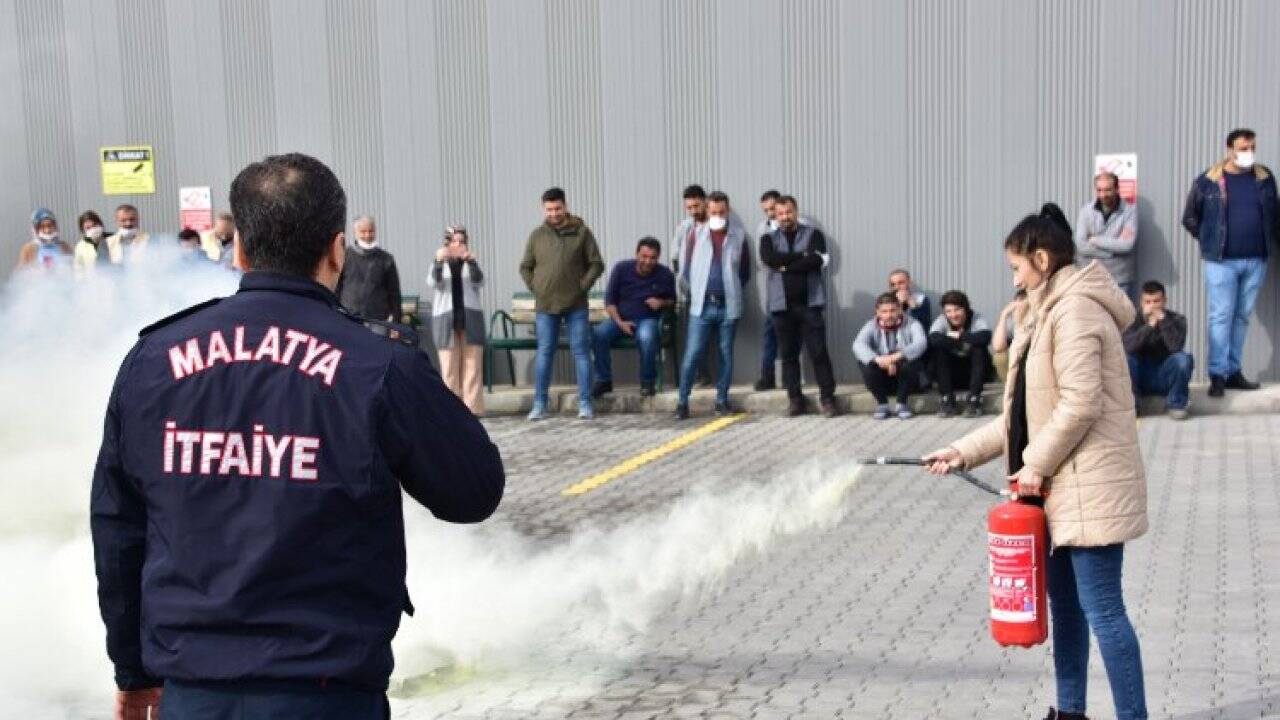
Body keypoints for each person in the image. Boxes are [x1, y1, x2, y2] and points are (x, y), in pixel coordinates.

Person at [91, 152, 505, 720]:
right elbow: (473, 491)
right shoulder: (377, 363)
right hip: (326, 692)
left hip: (193, 691)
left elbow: (118, 531)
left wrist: (133, 673)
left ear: (239, 250)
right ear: (337, 250)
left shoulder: (153, 361)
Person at [924, 203, 1148, 720]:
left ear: (1042, 259)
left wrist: (1036, 465)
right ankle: (1070, 712)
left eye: (1016, 267)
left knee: (1104, 613)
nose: (1014, 277)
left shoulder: (1077, 310)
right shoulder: (1040, 312)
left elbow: (1081, 402)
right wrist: (962, 452)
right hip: (1051, 487)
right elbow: (1021, 416)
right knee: (1066, 611)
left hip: (1087, 487)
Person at [1182, 127, 1277, 397]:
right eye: (1243, 149)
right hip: (1221, 262)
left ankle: (1234, 371)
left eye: (1251, 148)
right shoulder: (1208, 181)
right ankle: (1218, 375)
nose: (1248, 154)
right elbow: (1190, 218)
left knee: (1242, 317)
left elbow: (1274, 216)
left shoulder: (1265, 178)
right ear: (1230, 150)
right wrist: (1209, 239)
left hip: (1256, 260)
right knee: (1221, 316)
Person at [519, 187, 605, 420]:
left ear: (565, 206)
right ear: (543, 209)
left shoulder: (582, 232)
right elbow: (525, 266)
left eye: (557, 208)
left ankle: (585, 403)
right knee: (545, 352)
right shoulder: (537, 235)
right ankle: (539, 404)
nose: (554, 213)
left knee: (581, 352)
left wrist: (583, 285)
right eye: (549, 209)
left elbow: (597, 263)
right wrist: (535, 286)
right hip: (546, 305)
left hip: (576, 304)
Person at [760, 195, 839, 417]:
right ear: (775, 214)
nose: (785, 217)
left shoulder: (814, 235)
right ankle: (795, 400)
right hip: (781, 307)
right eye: (781, 213)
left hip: (810, 305)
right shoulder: (767, 239)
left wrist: (785, 265)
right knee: (788, 356)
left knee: (819, 352)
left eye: (789, 212)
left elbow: (816, 260)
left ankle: (828, 398)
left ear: (796, 212)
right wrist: (801, 258)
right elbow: (769, 259)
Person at [675, 191, 750, 419]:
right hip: (702, 307)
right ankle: (682, 402)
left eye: (721, 212)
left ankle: (721, 401)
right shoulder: (695, 235)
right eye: (713, 212)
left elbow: (744, 272)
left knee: (725, 354)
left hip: (728, 306)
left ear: (728, 211)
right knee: (693, 354)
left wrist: (732, 291)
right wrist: (693, 294)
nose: (717, 216)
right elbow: (684, 270)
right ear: (707, 211)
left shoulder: (738, 235)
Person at [592, 237, 676, 398]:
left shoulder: (665, 274)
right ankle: (603, 380)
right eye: (644, 256)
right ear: (637, 254)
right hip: (620, 319)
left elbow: (672, 301)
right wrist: (620, 322)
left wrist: (661, 302)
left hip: (647, 320)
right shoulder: (621, 269)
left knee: (647, 337)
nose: (648, 261)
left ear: (658, 258)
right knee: (599, 333)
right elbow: (609, 302)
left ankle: (647, 382)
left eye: (653, 258)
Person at [427, 224, 486, 416]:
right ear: (447, 243)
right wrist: (438, 261)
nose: (458, 245)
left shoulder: (470, 263)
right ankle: (451, 410)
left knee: (472, 366)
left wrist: (472, 262)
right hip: (446, 320)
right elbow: (434, 282)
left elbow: (480, 281)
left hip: (471, 318)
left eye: (461, 241)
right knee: (449, 368)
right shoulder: (439, 263)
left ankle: (473, 409)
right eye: (454, 241)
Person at [1124, 281, 1193, 420]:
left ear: (1164, 301)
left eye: (1156, 301)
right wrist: (1149, 327)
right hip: (1140, 377)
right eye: (1148, 302)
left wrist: (1163, 321)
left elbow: (1175, 347)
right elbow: (1127, 347)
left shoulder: (1177, 320)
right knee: (1126, 359)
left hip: (1164, 375)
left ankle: (1176, 404)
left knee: (1183, 359)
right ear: (1141, 302)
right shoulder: (1131, 320)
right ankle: (1133, 406)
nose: (1152, 306)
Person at [852, 292, 928, 419]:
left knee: (912, 362)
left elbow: (921, 343)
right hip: (882, 376)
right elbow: (858, 345)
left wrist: (895, 358)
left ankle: (902, 404)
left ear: (899, 309)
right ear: (877, 312)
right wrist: (878, 359)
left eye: (893, 310)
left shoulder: (912, 323)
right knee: (865, 363)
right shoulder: (871, 325)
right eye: (884, 311)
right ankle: (882, 404)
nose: (889, 315)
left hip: (906, 379)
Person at [672, 184, 714, 388]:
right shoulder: (685, 227)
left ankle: (709, 375)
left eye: (697, 206)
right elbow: (675, 256)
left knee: (713, 339)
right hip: (689, 292)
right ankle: (700, 374)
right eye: (689, 207)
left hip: (710, 290)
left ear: (705, 202)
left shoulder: (715, 225)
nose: (694, 211)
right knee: (693, 337)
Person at [928, 290, 992, 418]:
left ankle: (974, 400)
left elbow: (985, 337)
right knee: (939, 351)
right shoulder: (942, 320)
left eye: (957, 310)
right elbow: (933, 338)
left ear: (966, 309)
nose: (953, 315)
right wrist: (961, 342)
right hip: (951, 375)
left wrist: (959, 335)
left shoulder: (976, 318)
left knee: (979, 349)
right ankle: (947, 400)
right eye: (948, 311)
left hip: (974, 374)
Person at [1074, 171, 1138, 298]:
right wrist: (1110, 253)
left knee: (1122, 317)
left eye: (1108, 190)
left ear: (1117, 189)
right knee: (1092, 317)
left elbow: (1126, 245)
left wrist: (1096, 240)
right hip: (1091, 276)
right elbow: (1081, 244)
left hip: (1120, 279)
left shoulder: (1129, 211)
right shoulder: (1086, 211)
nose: (1103, 195)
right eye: (1099, 190)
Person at [336, 215, 402, 322]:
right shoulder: (344, 257)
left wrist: (396, 321)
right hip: (349, 318)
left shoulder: (386, 259)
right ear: (355, 233)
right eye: (363, 231)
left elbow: (394, 293)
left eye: (371, 231)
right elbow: (336, 288)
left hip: (378, 319)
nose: (367, 235)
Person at [753, 189, 783, 390]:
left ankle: (792, 377)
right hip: (773, 288)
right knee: (770, 333)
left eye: (773, 208)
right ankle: (767, 376)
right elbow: (761, 259)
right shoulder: (762, 228)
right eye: (766, 210)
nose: (770, 213)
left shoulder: (801, 225)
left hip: (796, 288)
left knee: (793, 335)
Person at [991, 289, 1028, 382]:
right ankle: (1012, 387)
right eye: (1017, 302)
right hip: (1020, 358)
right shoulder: (1011, 323)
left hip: (1038, 359)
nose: (1020, 307)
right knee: (1000, 357)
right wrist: (1004, 315)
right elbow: (998, 347)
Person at [74, 210, 107, 278]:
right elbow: (78, 269)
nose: (93, 229)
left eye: (94, 225)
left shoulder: (111, 240)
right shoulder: (81, 246)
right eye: (88, 228)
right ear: (83, 231)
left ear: (100, 224)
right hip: (91, 284)